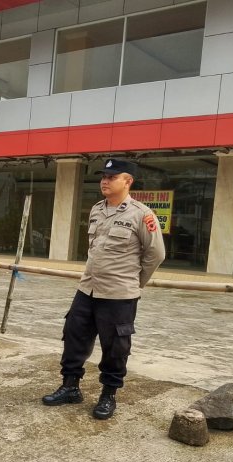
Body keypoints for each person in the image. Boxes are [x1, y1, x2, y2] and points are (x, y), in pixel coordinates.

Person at [42, 159, 165, 419]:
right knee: (74, 336)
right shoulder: (97, 209)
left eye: (112, 176)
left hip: (119, 295)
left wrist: (134, 282)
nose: (105, 181)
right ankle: (70, 387)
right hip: (87, 289)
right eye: (103, 176)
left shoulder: (142, 214)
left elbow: (155, 254)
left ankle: (108, 395)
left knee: (116, 347)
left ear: (128, 181)